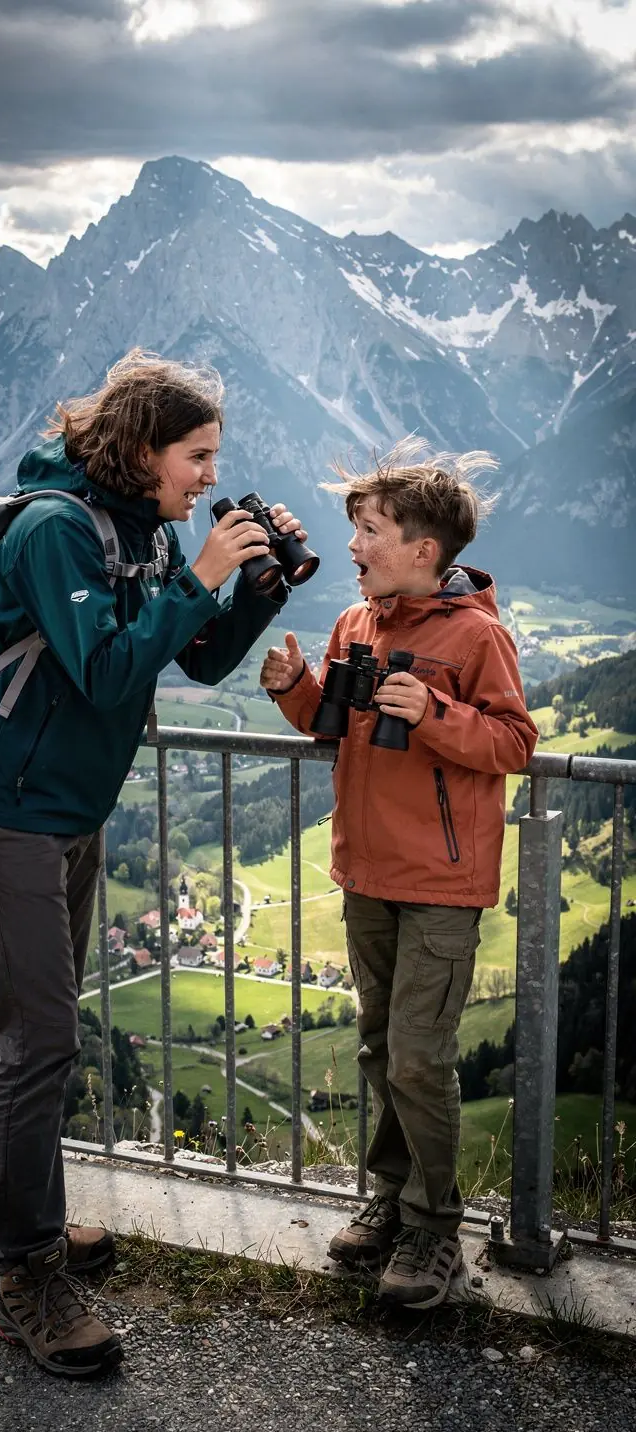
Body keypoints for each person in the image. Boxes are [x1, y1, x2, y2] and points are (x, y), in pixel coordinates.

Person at [0, 349, 307, 1377]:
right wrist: (202, 574)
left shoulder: (136, 529)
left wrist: (256, 590)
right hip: (11, 809)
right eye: (196, 456)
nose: (205, 476)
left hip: (70, 811)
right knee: (42, 1039)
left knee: (27, 1031)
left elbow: (187, 657)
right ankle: (26, 1270)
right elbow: (102, 672)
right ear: (142, 450)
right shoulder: (58, 531)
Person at [260, 438, 537, 1310]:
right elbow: (331, 728)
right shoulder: (354, 623)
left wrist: (437, 711)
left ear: (425, 549)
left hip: (444, 883)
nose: (352, 547)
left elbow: (514, 743)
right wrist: (296, 687)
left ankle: (432, 1226)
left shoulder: (477, 635)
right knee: (383, 1048)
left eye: (368, 530)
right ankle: (392, 1199)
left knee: (420, 1056)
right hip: (366, 871)